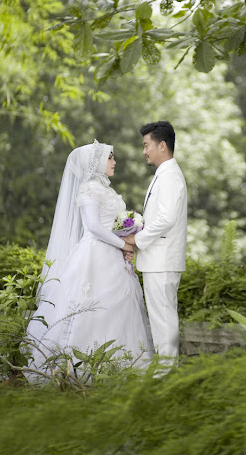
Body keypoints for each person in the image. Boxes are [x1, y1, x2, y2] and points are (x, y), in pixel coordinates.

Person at [25, 140, 153, 381]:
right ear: (95, 163)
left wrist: (128, 236)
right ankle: (74, 371)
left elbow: (111, 224)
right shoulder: (88, 189)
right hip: (94, 256)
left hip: (114, 257)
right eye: (110, 157)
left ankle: (121, 366)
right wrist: (123, 244)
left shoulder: (107, 190)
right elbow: (93, 227)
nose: (114, 162)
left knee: (119, 311)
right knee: (88, 309)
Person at [123, 121, 187, 368]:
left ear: (162, 145)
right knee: (162, 319)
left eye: (146, 145)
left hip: (161, 262)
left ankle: (165, 376)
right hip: (158, 261)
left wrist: (136, 240)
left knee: (163, 320)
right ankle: (165, 374)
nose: (144, 151)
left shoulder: (170, 175)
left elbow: (167, 218)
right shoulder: (165, 173)